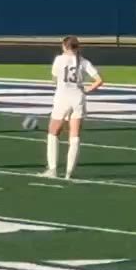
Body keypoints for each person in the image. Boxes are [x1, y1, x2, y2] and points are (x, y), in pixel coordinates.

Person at [42, 36, 103, 179]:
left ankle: (52, 170)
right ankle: (69, 173)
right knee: (74, 136)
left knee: (53, 132)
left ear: (64, 46)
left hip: (62, 97)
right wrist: (87, 90)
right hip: (77, 98)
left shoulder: (59, 60)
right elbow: (99, 80)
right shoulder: (83, 61)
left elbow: (54, 79)